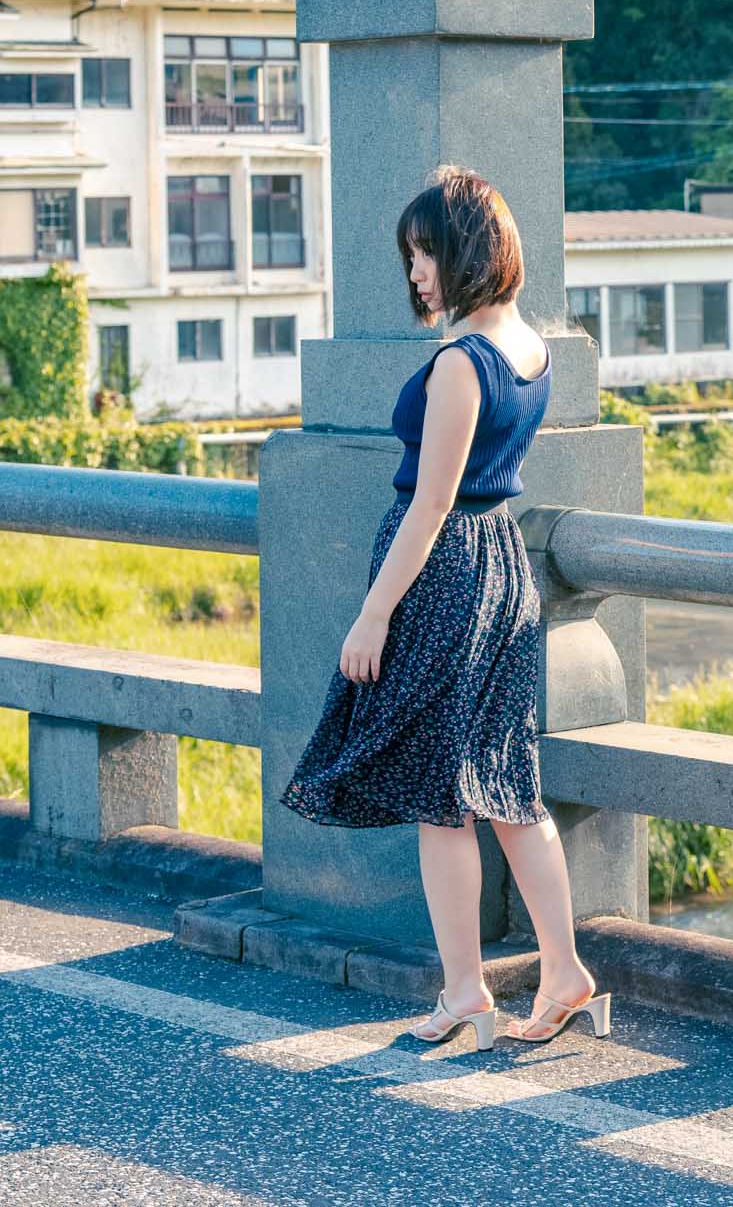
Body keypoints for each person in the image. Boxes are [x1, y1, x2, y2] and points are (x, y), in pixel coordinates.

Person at [279, 165, 609, 1051]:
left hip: (444, 573)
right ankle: (557, 970)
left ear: (468, 249)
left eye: (427, 251)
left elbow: (431, 504)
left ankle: (470, 988)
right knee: (504, 784)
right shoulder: (529, 348)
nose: (417, 271)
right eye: (412, 255)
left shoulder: (462, 364)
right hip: (501, 565)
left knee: (446, 796)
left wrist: (372, 613)